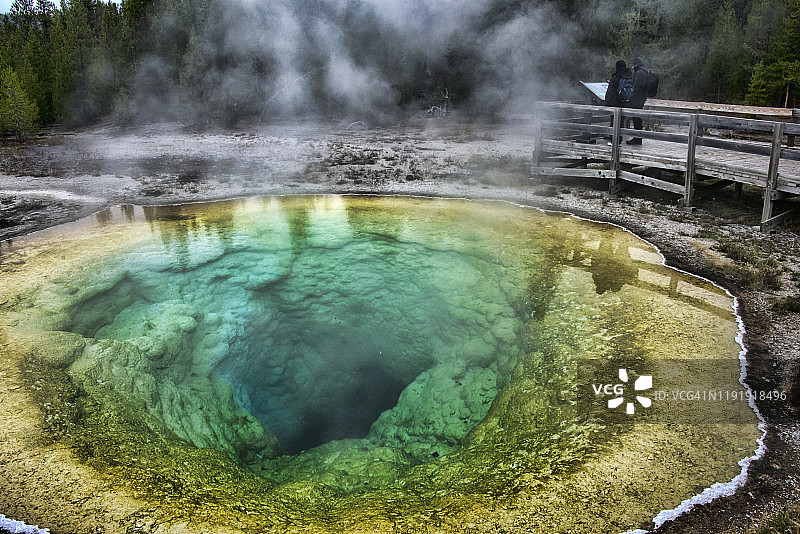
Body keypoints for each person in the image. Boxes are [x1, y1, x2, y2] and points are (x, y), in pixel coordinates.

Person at [604, 60, 632, 143]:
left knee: (614, 122)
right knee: (621, 122)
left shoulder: (616, 76)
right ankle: (619, 140)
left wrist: (607, 102)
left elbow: (611, 92)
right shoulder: (630, 76)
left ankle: (614, 141)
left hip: (615, 103)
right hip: (625, 102)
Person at [627, 57, 648, 145]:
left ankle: (637, 139)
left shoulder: (639, 73)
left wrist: (630, 97)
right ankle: (638, 138)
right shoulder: (644, 72)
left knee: (636, 118)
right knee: (637, 118)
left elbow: (635, 87)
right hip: (641, 98)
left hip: (637, 99)